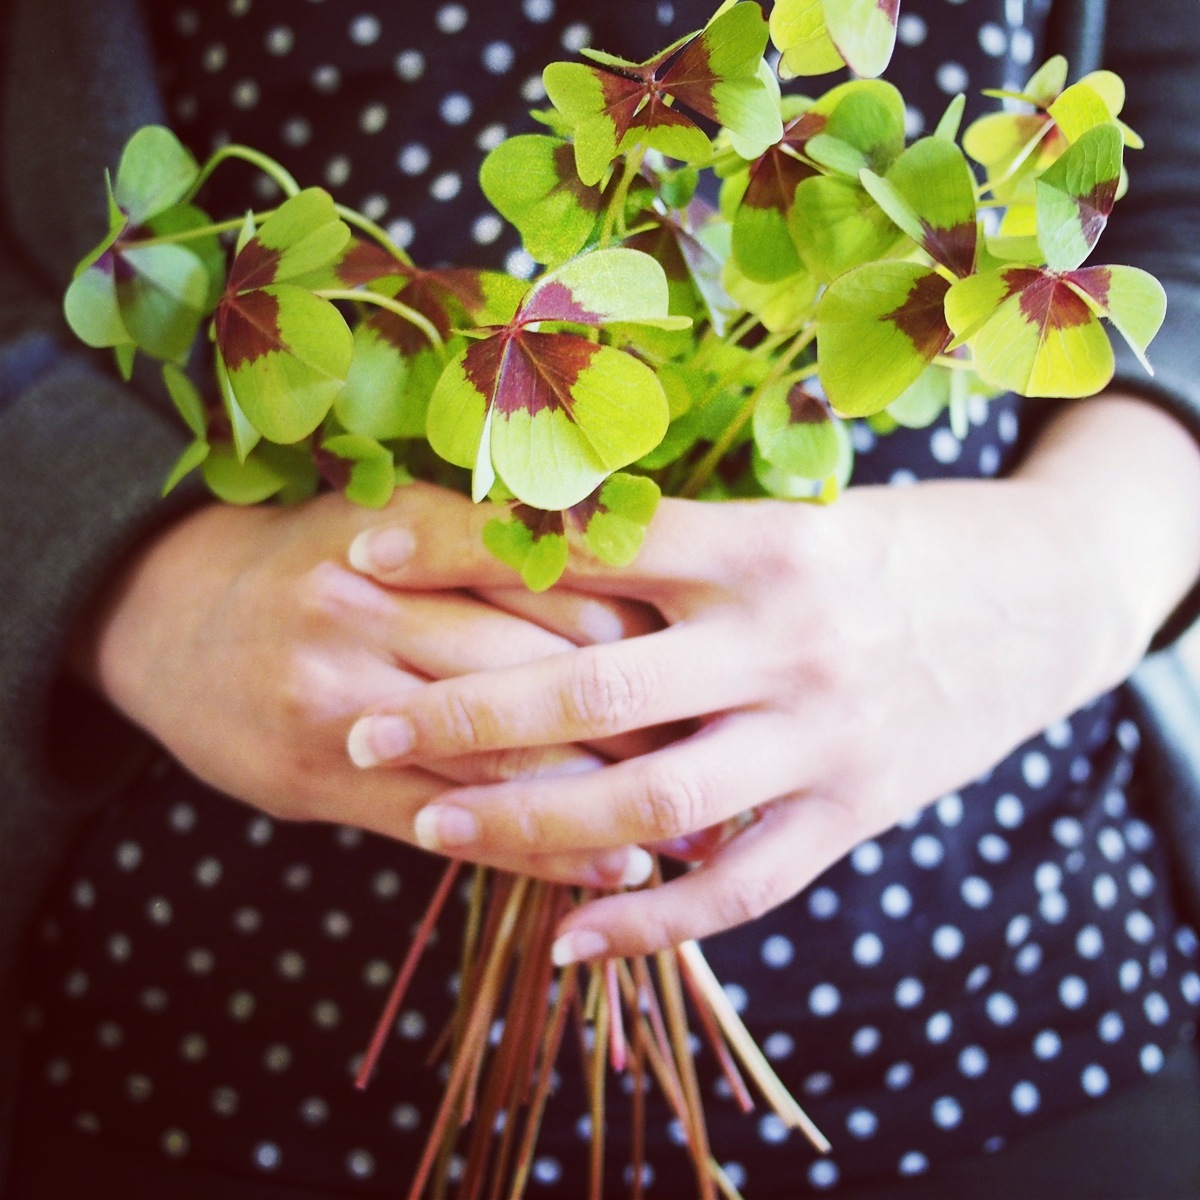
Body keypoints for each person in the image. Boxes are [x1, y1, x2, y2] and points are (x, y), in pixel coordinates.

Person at [1, 0, 1199, 1197]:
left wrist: (1081, 558)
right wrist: (132, 581)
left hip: (1011, 992)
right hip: (213, 1024)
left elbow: (1181, 213)